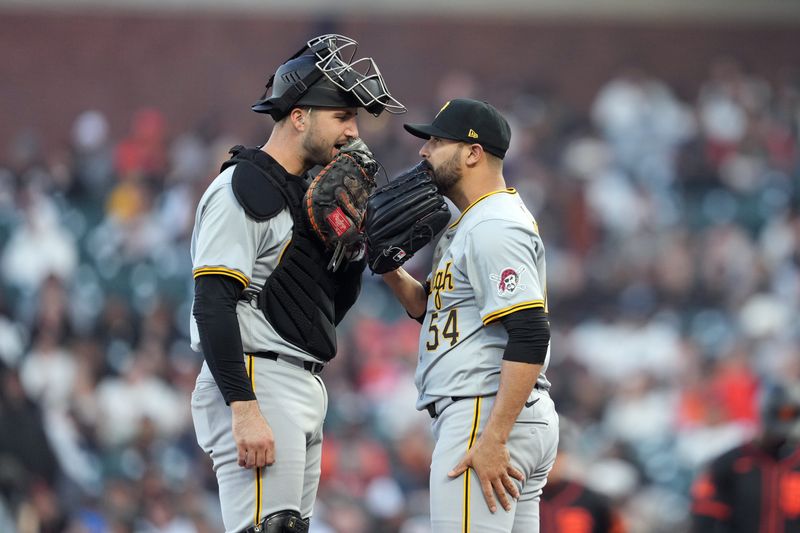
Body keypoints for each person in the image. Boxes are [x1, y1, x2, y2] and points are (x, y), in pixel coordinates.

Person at [188, 34, 404, 533]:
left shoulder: (309, 196)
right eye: (342, 117)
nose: (354, 132)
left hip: (299, 379)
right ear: (300, 115)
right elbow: (213, 304)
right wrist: (243, 409)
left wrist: (353, 251)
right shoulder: (243, 188)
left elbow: (318, 312)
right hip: (256, 377)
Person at [379, 98, 559, 532]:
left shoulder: (492, 224)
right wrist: (385, 265)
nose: (424, 152)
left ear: (473, 153)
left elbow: (531, 334)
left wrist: (494, 436)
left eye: (437, 142)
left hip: (484, 410)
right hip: (501, 410)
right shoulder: (474, 221)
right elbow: (434, 309)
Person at [689, 381, 800, 533]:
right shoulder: (731, 463)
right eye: (780, 414)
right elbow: (704, 515)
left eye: (790, 414)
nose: (784, 421)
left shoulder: (795, 462)